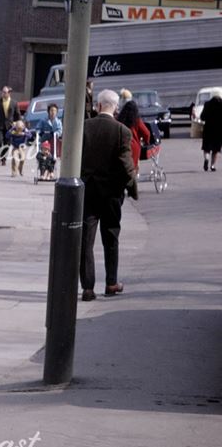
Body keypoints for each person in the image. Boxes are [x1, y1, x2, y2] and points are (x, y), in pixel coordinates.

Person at [80, 89, 137, 301]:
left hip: (88, 191)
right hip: (112, 194)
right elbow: (125, 164)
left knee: (86, 239)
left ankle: (87, 287)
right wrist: (131, 186)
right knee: (111, 237)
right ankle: (111, 283)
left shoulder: (85, 127)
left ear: (98, 105)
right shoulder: (122, 131)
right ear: (116, 108)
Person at [117, 100, 150, 171]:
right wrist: (146, 142)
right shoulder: (136, 120)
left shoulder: (119, 119)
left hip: (121, 145)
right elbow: (146, 133)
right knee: (133, 168)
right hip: (134, 146)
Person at [0, 86, 20, 166]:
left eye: (5, 92)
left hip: (9, 127)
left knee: (7, 144)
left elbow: (17, 115)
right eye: (3, 92)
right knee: (0, 142)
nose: (3, 94)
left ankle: (4, 159)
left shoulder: (14, 103)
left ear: (9, 93)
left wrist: (18, 123)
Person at [200, 89, 222, 172]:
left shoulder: (207, 104)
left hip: (208, 129)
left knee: (206, 148)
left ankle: (206, 159)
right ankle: (212, 166)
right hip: (219, 130)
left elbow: (202, 117)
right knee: (215, 150)